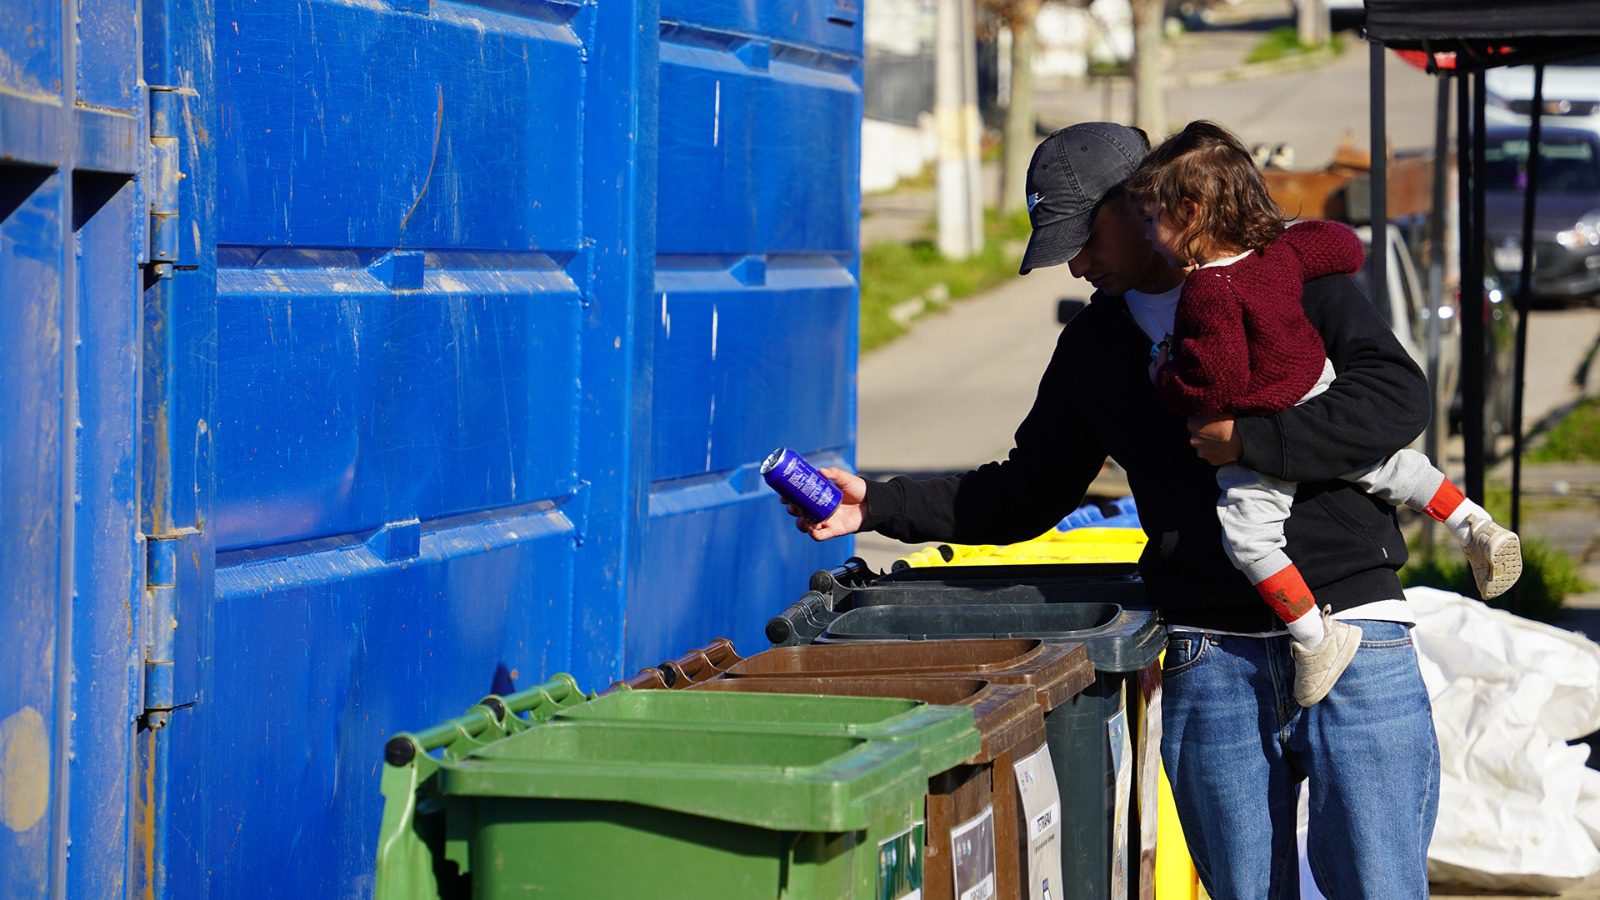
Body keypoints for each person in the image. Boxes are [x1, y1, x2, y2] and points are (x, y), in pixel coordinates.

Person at [788, 122, 1440, 898]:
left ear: (1147, 204)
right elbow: (1026, 490)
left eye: (1085, 236)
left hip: (1355, 628)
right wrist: (881, 504)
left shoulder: (1285, 275)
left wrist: (1253, 442)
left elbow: (1397, 396)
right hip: (1212, 652)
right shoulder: (1097, 345)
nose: (1077, 262)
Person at [1122, 120, 1522, 707]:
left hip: (1259, 416)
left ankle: (1315, 637)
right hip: (1318, 385)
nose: (1151, 236)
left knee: (1248, 538)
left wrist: (1171, 381)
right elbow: (1343, 246)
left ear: (1191, 212)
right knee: (1388, 468)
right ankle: (1475, 526)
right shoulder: (1280, 251)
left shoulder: (1205, 290)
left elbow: (1222, 379)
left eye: (1153, 220)